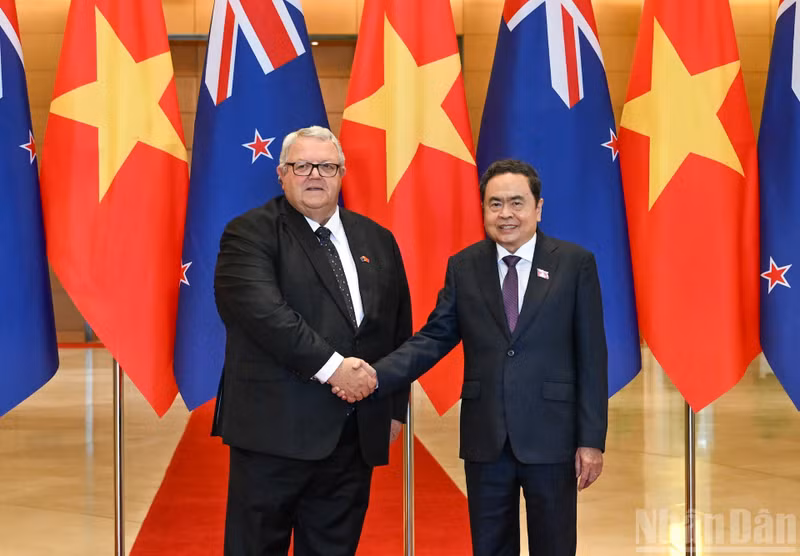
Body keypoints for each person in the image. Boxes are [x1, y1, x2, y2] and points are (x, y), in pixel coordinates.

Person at [334, 159, 608, 556]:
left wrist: (591, 440)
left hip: (553, 439)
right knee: (490, 546)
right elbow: (434, 338)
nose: (506, 213)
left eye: (516, 202)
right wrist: (377, 375)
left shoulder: (574, 264)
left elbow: (592, 357)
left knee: (555, 545)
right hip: (486, 439)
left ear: (538, 208)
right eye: (495, 204)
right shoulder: (465, 267)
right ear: (483, 210)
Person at [212, 125, 412, 556]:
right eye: (302, 166)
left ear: (342, 174)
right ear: (282, 174)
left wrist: (394, 408)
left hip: (353, 436)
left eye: (326, 166)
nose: (315, 175)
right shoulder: (249, 234)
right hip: (272, 435)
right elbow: (265, 316)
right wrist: (336, 369)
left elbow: (397, 328)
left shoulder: (378, 239)